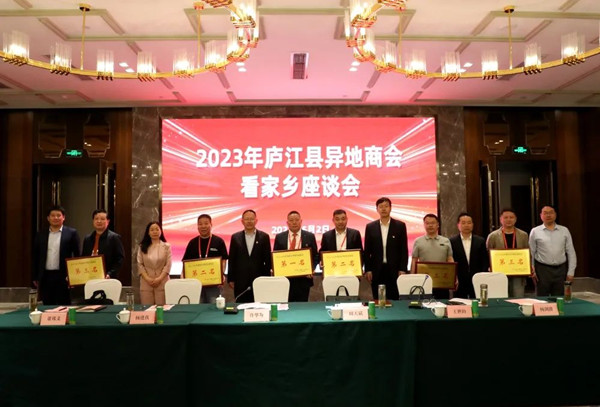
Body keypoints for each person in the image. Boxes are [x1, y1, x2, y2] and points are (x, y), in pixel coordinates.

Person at [32, 205, 80, 305]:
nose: (56, 218)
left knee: (64, 304)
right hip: (46, 276)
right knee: (47, 305)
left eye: (58, 215)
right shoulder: (41, 234)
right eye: (53, 215)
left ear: (64, 217)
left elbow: (77, 255)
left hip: (63, 276)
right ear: (48, 218)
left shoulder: (71, 233)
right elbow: (36, 256)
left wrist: (74, 275)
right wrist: (35, 276)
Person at [364, 197, 408, 301]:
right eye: (381, 207)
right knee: (377, 299)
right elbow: (367, 250)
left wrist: (403, 269)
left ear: (390, 208)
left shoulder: (400, 226)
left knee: (394, 298)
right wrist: (368, 269)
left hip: (394, 270)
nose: (383, 209)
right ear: (377, 209)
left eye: (386, 206)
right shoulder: (370, 227)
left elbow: (403, 249)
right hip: (377, 270)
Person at [529, 205, 577, 296]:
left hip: (561, 270)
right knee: (542, 299)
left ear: (555, 215)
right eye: (545, 213)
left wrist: (571, 272)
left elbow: (571, 252)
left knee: (560, 298)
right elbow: (531, 252)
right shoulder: (535, 231)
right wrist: (532, 269)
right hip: (542, 270)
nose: (548, 215)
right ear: (541, 215)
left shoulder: (564, 230)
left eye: (551, 212)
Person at [273, 210, 319, 302]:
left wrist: (311, 268)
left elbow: (316, 256)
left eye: (297, 220)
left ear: (301, 221)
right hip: (285, 279)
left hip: (304, 279)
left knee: (302, 306)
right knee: (286, 305)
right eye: (291, 220)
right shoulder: (280, 237)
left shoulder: (309, 236)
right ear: (287, 223)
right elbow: (275, 257)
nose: (294, 222)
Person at [182, 214, 228, 304]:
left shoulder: (219, 241)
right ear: (197, 226)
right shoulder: (192, 243)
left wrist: (221, 275)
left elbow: (223, 261)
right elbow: (185, 263)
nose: (203, 226)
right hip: (196, 284)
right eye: (200, 224)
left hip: (214, 284)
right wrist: (184, 280)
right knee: (197, 306)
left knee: (213, 307)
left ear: (211, 225)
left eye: (206, 223)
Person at [228, 209, 272, 303]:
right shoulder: (235, 237)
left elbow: (268, 260)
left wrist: (267, 278)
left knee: (259, 305)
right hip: (240, 280)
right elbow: (232, 259)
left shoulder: (264, 237)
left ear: (256, 221)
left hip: (259, 279)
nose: (249, 221)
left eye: (251, 219)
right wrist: (231, 278)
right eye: (246, 219)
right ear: (242, 221)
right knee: (240, 305)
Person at [486, 208, 530, 297]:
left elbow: (527, 252)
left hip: (518, 273)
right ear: (500, 219)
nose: (509, 220)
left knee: (518, 298)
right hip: (500, 273)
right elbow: (488, 253)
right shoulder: (493, 236)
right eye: (505, 217)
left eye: (511, 217)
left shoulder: (523, 235)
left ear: (515, 219)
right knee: (501, 297)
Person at [411, 213, 454, 299]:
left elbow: (450, 259)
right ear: (424, 225)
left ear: (438, 225)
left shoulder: (446, 241)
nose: (430, 225)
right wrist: (412, 277)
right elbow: (414, 260)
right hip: (424, 281)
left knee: (443, 303)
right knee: (424, 304)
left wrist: (454, 276)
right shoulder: (418, 241)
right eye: (427, 223)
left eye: (433, 223)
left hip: (442, 281)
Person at [450, 212, 489, 299]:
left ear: (472, 225)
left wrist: (483, 275)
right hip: (460, 279)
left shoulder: (480, 241)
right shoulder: (452, 241)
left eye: (469, 222)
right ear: (458, 225)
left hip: (477, 277)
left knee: (477, 301)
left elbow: (484, 260)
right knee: (459, 302)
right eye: (463, 223)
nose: (466, 225)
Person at [82, 209, 125, 280]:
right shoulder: (88, 239)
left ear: (108, 221)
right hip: (90, 277)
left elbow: (120, 259)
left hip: (107, 278)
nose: (99, 221)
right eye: (96, 219)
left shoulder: (114, 238)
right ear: (93, 221)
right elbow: (83, 259)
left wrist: (110, 274)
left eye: (102, 219)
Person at [137, 221, 172, 305]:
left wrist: (159, 278)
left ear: (161, 231)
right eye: (152, 230)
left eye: (157, 229)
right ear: (148, 233)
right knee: (147, 309)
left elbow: (168, 264)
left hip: (162, 282)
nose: (155, 232)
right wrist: (148, 279)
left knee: (162, 309)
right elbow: (140, 264)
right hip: (146, 283)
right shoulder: (142, 247)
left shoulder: (166, 246)